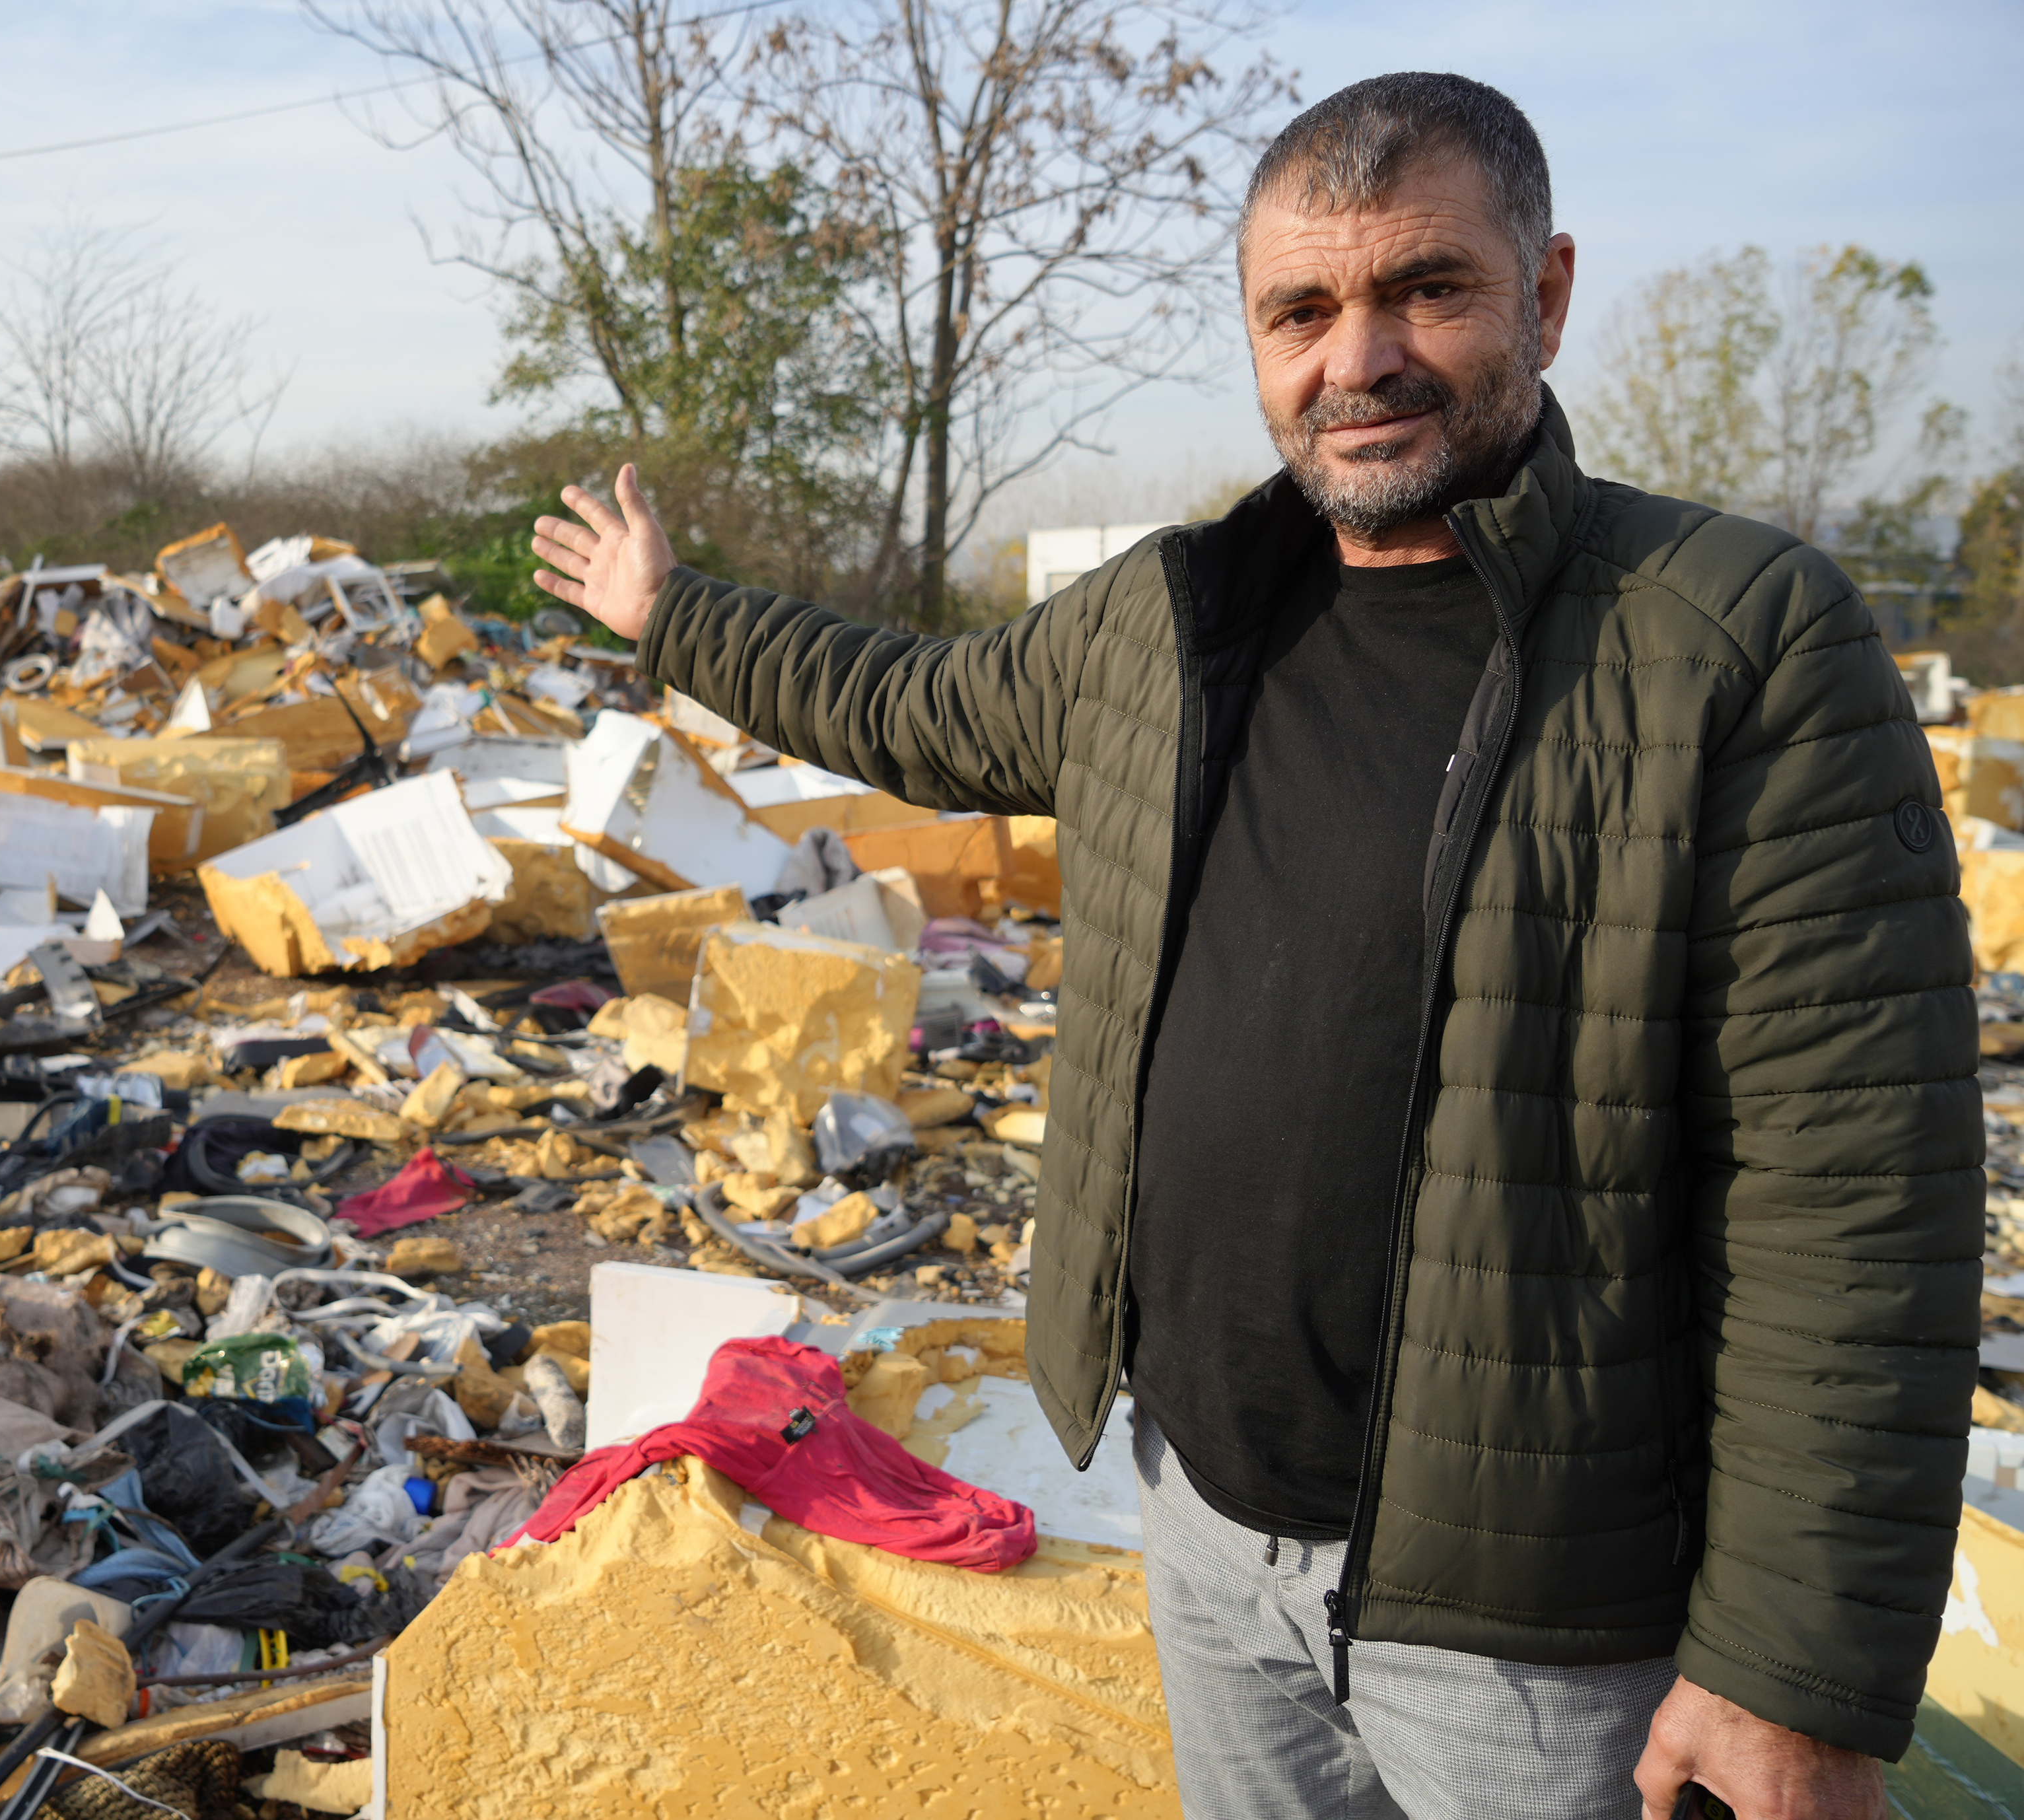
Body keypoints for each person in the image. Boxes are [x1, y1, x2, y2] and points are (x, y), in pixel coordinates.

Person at [528, 71, 1981, 1820]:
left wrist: (1789, 1671)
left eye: (1426, 288)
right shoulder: (1170, 620)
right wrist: (671, 613)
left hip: (1542, 1622)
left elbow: (1855, 1190)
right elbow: (907, 704)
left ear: (1547, 292)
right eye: (1301, 311)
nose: (1356, 358)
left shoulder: (1730, 642)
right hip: (1207, 1528)